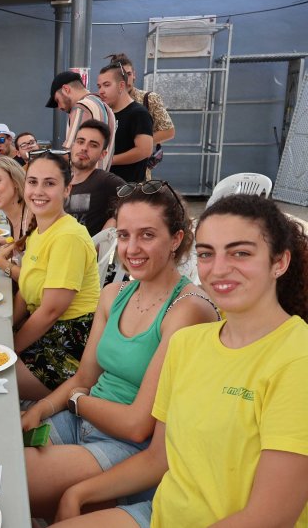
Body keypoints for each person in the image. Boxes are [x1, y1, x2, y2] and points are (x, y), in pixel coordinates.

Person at [54, 194, 308, 527]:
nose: (218, 269)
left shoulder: (296, 360)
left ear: (279, 262)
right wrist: (78, 494)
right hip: (160, 513)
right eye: (206, 254)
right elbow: (158, 459)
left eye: (240, 253)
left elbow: (268, 517)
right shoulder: (189, 343)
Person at [21, 179, 218, 523]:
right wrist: (43, 409)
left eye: (147, 235)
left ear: (176, 239)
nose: (132, 248)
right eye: (124, 235)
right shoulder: (115, 293)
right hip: (80, 420)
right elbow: (84, 377)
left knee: (12, 480)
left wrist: (75, 401)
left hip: (130, 449)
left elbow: (136, 426)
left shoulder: (188, 310)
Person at [11, 151, 100, 400]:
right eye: (33, 182)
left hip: (68, 343)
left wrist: (11, 347)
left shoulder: (68, 237)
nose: (38, 191)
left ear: (66, 189)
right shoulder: (40, 231)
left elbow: (51, 311)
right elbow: (26, 292)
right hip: (46, 332)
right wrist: (6, 330)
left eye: (49, 183)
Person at [46, 71, 116, 171]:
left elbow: (70, 155)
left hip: (84, 180)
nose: (59, 107)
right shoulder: (105, 107)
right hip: (101, 177)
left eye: (57, 100)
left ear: (66, 89)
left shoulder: (81, 107)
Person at [66, 120, 126, 236]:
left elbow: (139, 201)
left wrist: (114, 221)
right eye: (80, 142)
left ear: (103, 154)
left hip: (87, 252)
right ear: (73, 146)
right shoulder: (62, 182)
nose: (84, 148)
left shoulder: (105, 180)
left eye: (93, 145)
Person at [97, 64, 153, 183]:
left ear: (121, 85)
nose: (101, 91)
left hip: (129, 188)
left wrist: (109, 160)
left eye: (106, 85)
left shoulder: (138, 113)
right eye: (99, 86)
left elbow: (144, 150)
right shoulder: (106, 113)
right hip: (106, 185)